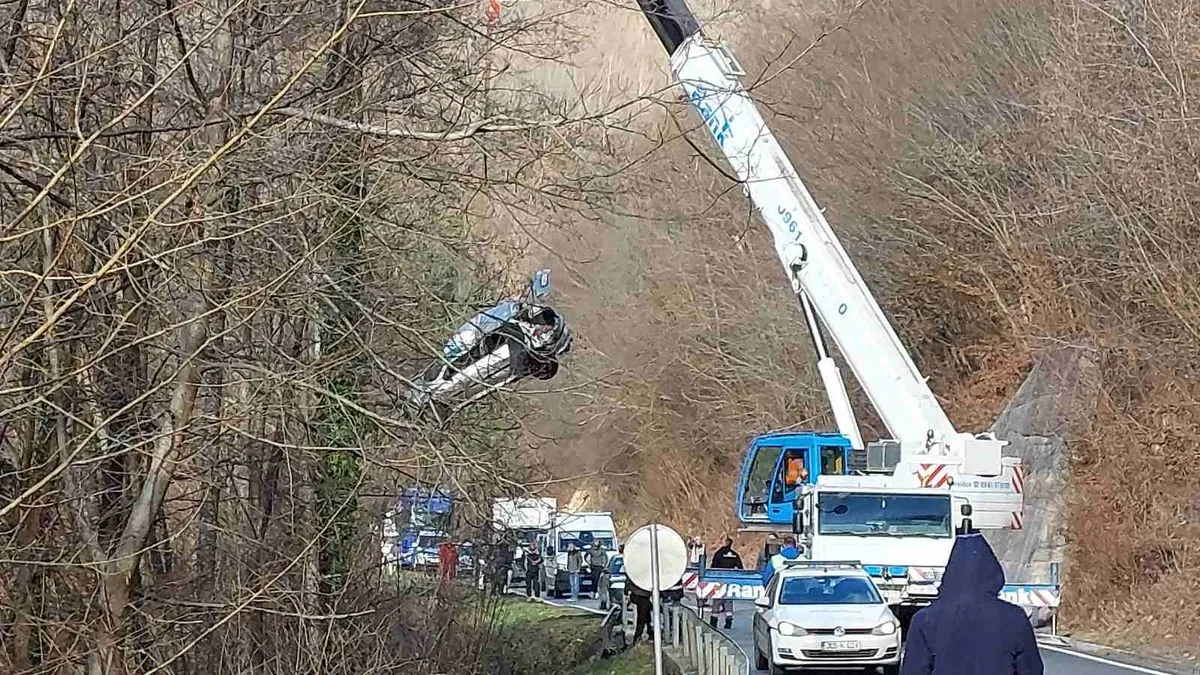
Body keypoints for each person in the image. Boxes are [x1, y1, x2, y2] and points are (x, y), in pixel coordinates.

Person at [901, 532, 1044, 675]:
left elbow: (913, 670)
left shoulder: (925, 620)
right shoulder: (1015, 618)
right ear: (992, 571)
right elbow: (1032, 669)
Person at [708, 536, 744, 629]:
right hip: (730, 580)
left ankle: (713, 621)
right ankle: (728, 621)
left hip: (719, 580)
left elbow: (713, 566)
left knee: (717, 600)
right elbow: (740, 568)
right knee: (728, 600)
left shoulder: (719, 553)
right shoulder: (735, 554)